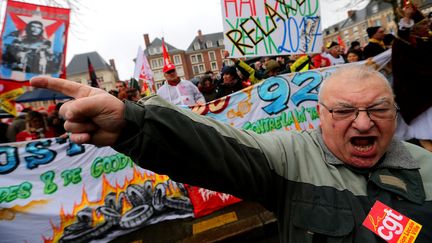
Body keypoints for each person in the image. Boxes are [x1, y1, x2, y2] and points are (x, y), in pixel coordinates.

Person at [30, 65, 432, 242]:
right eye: (345, 111)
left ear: (395, 112)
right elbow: (217, 146)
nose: (362, 123)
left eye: (377, 109)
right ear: (320, 116)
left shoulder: (427, 171)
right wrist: (134, 122)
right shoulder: (291, 160)